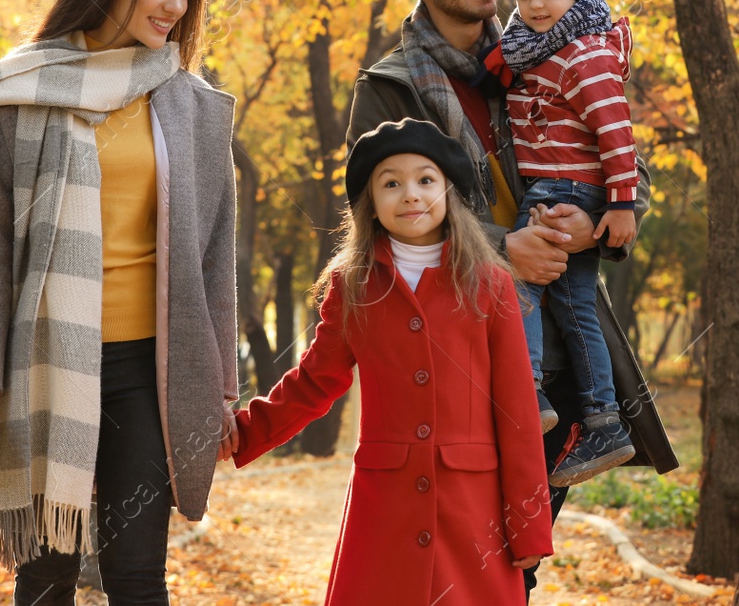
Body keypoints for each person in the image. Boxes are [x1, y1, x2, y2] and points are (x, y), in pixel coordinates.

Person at [346, 0, 678, 600]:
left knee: (514, 567)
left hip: (553, 354)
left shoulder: (543, 44)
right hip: (453, 364)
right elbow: (383, 222)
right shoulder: (391, 87)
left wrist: (595, 222)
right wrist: (505, 248)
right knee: (459, 569)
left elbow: (623, 159)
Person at [0, 0, 240, 606]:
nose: (175, 3)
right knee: (46, 573)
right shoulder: (19, 91)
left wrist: (219, 379)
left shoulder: (191, 105)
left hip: (149, 368)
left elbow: (214, 255)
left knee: (137, 575)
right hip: (43, 362)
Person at [228, 118, 553, 604]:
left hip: (471, 508)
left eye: (425, 180)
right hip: (385, 506)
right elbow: (315, 381)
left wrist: (528, 523)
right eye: (391, 183)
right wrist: (244, 431)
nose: (410, 195)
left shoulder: (490, 283)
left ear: (448, 192)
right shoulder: (353, 285)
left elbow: (518, 412)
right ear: (372, 204)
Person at [474, 0, 638, 485]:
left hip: (573, 187)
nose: (536, 6)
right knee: (571, 304)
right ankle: (602, 422)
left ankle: (531, 393)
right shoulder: (539, 48)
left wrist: (621, 203)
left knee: (517, 277)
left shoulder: (586, 52)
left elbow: (616, 132)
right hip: (558, 183)